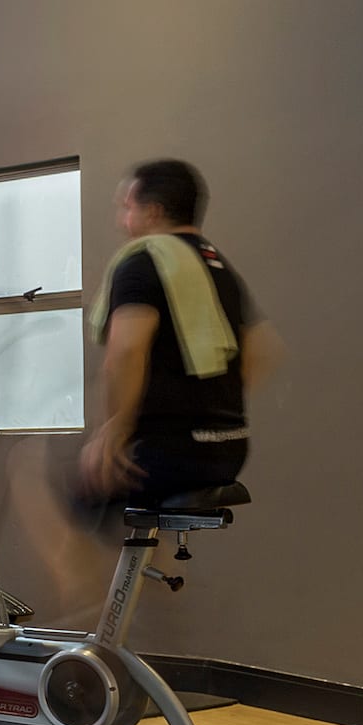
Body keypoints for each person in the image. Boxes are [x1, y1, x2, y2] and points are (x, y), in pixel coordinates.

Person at [77, 159, 281, 509]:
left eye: (127, 208)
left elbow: (126, 351)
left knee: (41, 488)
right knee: (152, 531)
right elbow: (264, 350)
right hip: (228, 452)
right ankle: (151, 566)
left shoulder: (142, 261)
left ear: (153, 212)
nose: (121, 221)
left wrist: (116, 427)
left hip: (165, 456)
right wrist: (209, 406)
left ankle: (97, 565)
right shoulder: (217, 268)